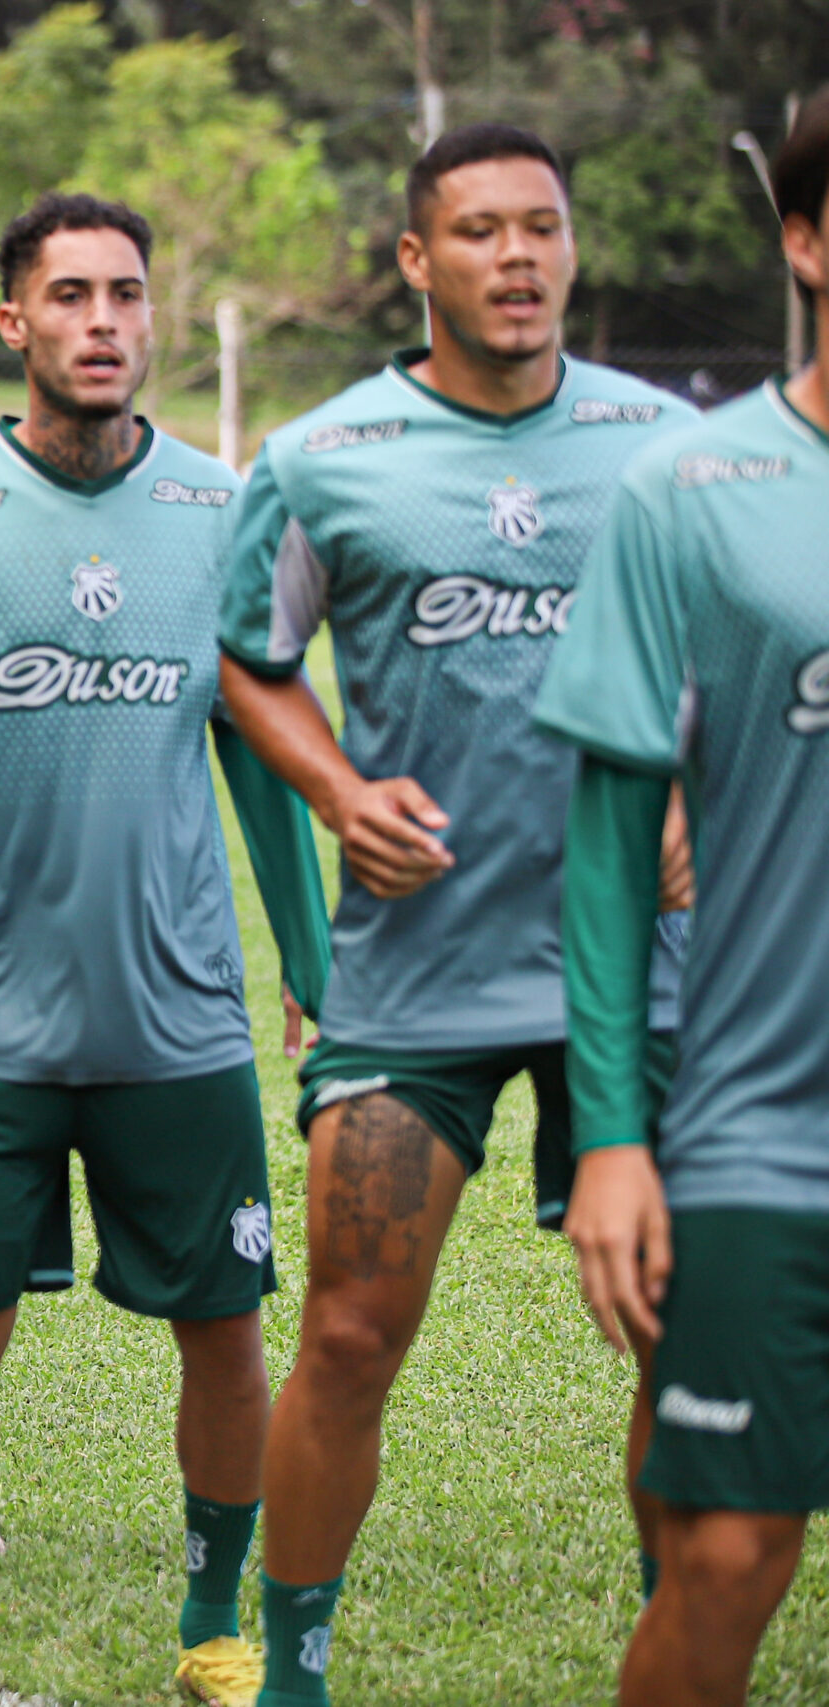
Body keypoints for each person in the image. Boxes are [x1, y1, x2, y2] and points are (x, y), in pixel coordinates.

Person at [213, 125, 692, 1707]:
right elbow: (247, 658)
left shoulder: (673, 444)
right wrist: (342, 793)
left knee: (682, 1337)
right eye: (478, 230)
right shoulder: (323, 454)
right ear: (418, 261)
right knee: (352, 1329)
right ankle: (292, 1672)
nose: (518, 255)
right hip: (418, 971)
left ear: (572, 243)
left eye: (542, 226)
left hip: (657, 972)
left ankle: (675, 1647)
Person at [0, 194, 331, 1707]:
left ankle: (211, 1612)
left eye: (127, 291)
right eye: (71, 294)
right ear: (13, 322)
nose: (106, 319)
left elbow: (266, 749)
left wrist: (312, 965)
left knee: (227, 1337)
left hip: (181, 1020)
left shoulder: (224, 507)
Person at [540, 90, 829, 1707]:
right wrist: (616, 1135)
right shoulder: (692, 490)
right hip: (765, 1127)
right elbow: (605, 845)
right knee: (730, 1550)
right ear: (803, 238)